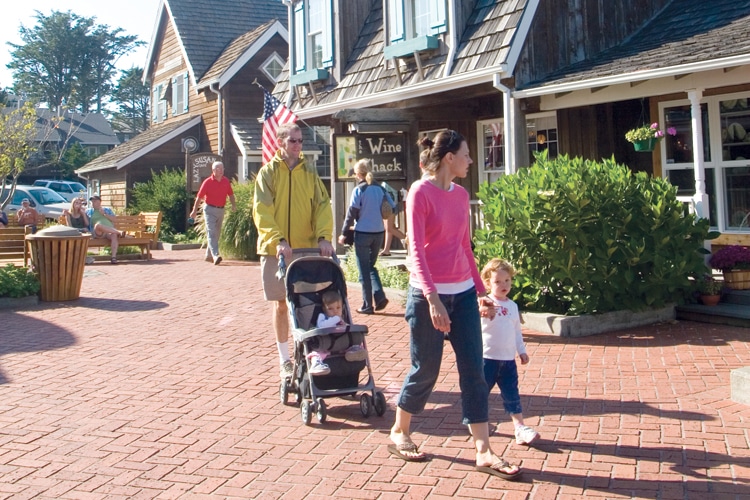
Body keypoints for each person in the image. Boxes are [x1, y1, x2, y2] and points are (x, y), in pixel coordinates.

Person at [388, 130, 522, 481]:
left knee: (474, 372)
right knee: (426, 370)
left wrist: (481, 291)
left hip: (462, 295)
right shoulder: (420, 192)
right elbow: (415, 251)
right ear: (449, 157)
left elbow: (465, 245)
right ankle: (400, 430)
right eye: (466, 154)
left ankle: (483, 450)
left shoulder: (461, 195)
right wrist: (432, 299)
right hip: (427, 295)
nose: (470, 160)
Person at [253, 123, 334, 379]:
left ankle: (313, 353)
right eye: (293, 141)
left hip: (306, 249)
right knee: (280, 305)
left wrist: (323, 237)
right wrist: (278, 239)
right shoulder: (267, 174)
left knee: (309, 303)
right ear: (280, 142)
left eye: (300, 141)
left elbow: (322, 206)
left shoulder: (309, 173)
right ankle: (285, 359)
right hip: (276, 251)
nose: (298, 146)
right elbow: (261, 210)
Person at [480, 258, 539, 446]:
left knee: (512, 394)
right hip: (487, 359)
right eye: (498, 282)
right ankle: (475, 420)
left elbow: (516, 331)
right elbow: (474, 324)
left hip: (507, 361)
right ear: (488, 283)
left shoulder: (512, 306)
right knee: (480, 393)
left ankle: (520, 427)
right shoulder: (484, 303)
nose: (503, 285)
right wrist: (481, 310)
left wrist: (521, 351)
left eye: (507, 281)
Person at [337, 159, 396, 314]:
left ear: (358, 174)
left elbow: (351, 213)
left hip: (363, 233)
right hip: (378, 233)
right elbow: (393, 207)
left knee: (364, 269)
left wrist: (343, 233)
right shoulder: (381, 189)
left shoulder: (359, 190)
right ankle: (379, 296)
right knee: (370, 266)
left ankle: (367, 305)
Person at [189, 161, 237, 265]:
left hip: (221, 209)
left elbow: (231, 194)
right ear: (213, 170)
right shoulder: (207, 182)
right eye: (219, 169)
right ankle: (216, 255)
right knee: (211, 232)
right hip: (209, 210)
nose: (221, 170)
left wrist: (233, 205)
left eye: (222, 168)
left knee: (217, 233)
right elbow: (199, 197)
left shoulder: (225, 181)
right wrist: (194, 211)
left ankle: (208, 255)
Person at [86, 195, 125, 264]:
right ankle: (119, 232)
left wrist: (104, 214)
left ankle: (113, 257)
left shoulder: (107, 210)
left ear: (99, 202)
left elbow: (115, 220)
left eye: (94, 201)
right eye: (92, 201)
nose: (93, 202)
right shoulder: (89, 211)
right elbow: (85, 222)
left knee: (114, 235)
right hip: (98, 232)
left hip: (109, 232)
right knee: (98, 225)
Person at [379, 181, 406, 256]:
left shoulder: (391, 182)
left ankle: (409, 241)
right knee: (388, 228)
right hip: (388, 204)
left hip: (390, 204)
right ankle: (386, 250)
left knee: (389, 228)